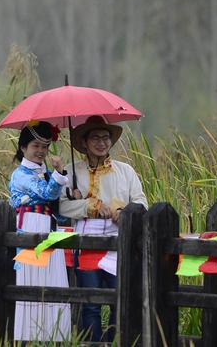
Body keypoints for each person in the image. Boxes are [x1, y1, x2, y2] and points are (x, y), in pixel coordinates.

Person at [59, 115, 148, 343]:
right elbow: (62, 207)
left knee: (121, 300)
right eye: (96, 137)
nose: (102, 142)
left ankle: (118, 341)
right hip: (86, 244)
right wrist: (90, 206)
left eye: (106, 137)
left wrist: (124, 212)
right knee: (90, 303)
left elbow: (141, 203)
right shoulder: (71, 172)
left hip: (119, 244)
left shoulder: (125, 171)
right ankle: (93, 343)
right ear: (85, 142)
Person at [8, 121, 71, 343]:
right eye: (36, 146)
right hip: (30, 226)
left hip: (50, 226)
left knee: (54, 280)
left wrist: (71, 195)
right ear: (23, 148)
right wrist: (60, 174)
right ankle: (28, 336)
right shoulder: (21, 174)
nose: (41, 151)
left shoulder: (44, 173)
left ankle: (54, 336)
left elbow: (59, 211)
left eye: (45, 146)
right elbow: (46, 194)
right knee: (31, 280)